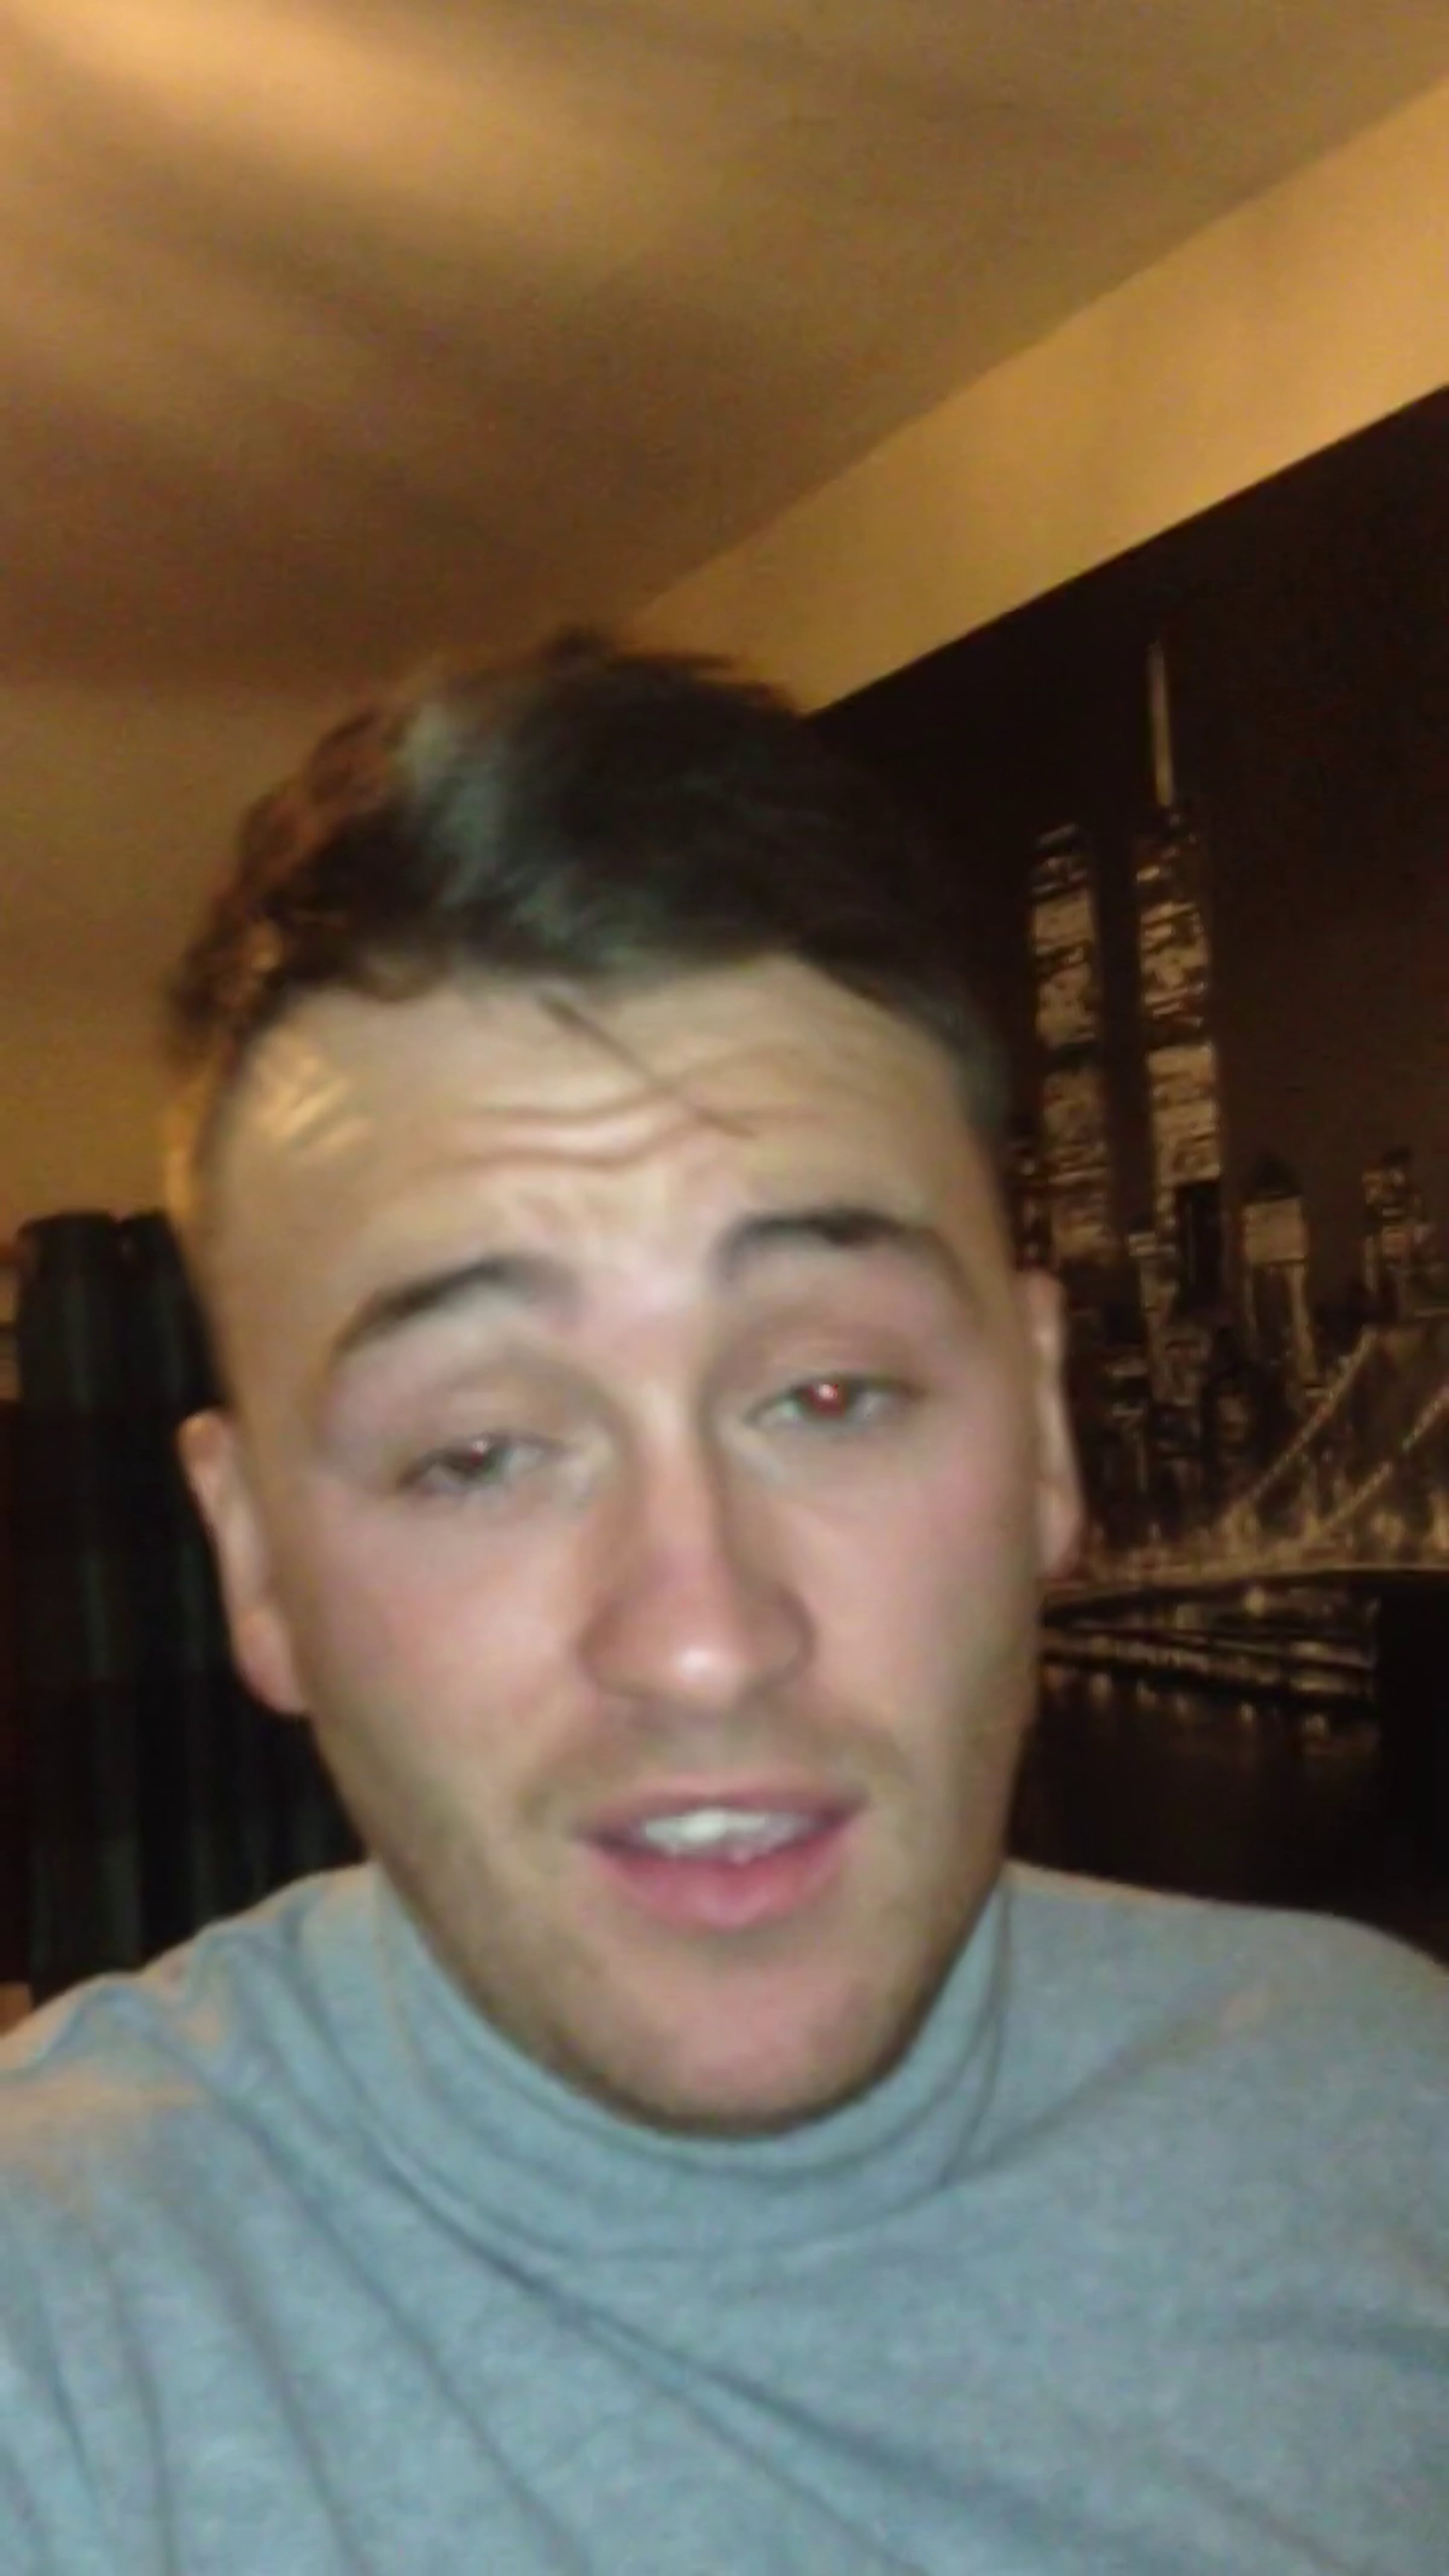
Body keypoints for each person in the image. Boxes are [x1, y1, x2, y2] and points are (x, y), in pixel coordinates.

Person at [1, 636, 1445, 2574]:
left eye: (827, 1392)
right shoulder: (54, 2328)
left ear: (1040, 1430)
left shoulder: (1391, 2117)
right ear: (254, 1557)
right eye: (478, 1449)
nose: (702, 1636)